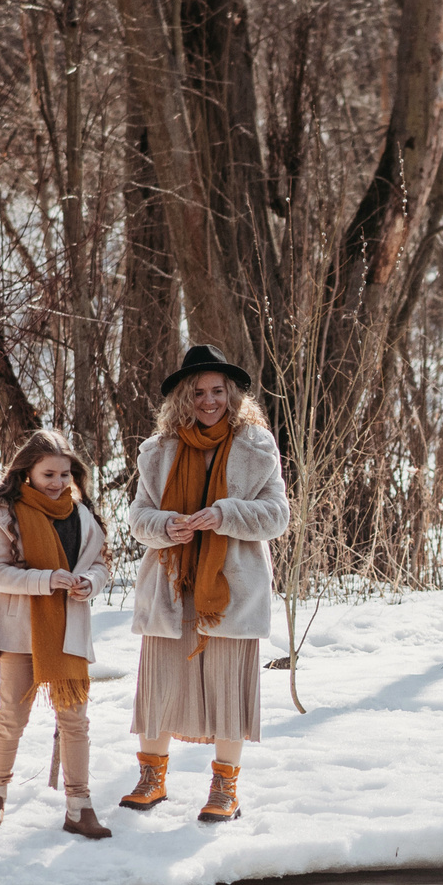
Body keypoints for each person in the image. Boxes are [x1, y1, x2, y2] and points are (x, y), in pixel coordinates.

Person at [120, 344, 290, 823]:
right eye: (199, 392)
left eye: (218, 390)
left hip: (231, 588)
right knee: (159, 684)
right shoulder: (158, 452)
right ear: (182, 397)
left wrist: (224, 515)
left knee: (228, 686)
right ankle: (152, 780)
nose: (209, 400)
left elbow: (278, 516)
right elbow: (138, 518)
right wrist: (164, 525)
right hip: (171, 583)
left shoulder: (256, 447)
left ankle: (224, 789)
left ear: (232, 394)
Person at [0, 429, 112, 839]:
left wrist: (89, 583)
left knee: (75, 721)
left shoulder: (84, 517)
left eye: (65, 474)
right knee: (12, 715)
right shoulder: (6, 515)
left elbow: (101, 565)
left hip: (69, 631)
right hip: (19, 633)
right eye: (49, 474)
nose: (58, 483)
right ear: (27, 473)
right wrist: (47, 580)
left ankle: (79, 807)